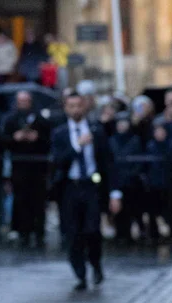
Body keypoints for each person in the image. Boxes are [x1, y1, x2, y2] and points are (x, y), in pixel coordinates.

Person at [50, 90, 112, 290]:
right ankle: (80, 273)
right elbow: (57, 160)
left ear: (85, 106)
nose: (76, 109)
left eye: (79, 105)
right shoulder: (59, 133)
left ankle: (95, 264)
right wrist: (77, 146)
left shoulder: (96, 130)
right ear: (66, 108)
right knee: (73, 232)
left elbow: (107, 161)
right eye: (71, 106)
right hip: (70, 187)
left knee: (92, 230)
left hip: (91, 185)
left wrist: (114, 192)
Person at [1, 90, 52, 248]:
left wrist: (37, 138)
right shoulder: (11, 119)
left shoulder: (41, 119)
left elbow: (49, 140)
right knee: (21, 201)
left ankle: (39, 232)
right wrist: (15, 138)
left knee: (38, 201)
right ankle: (23, 232)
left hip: (37, 167)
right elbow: (3, 141)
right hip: (19, 166)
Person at [108, 112, 145, 244]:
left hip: (131, 181)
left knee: (132, 209)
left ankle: (131, 234)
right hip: (117, 179)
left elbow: (139, 160)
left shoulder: (135, 140)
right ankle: (120, 234)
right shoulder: (112, 140)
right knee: (118, 211)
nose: (122, 126)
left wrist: (132, 173)